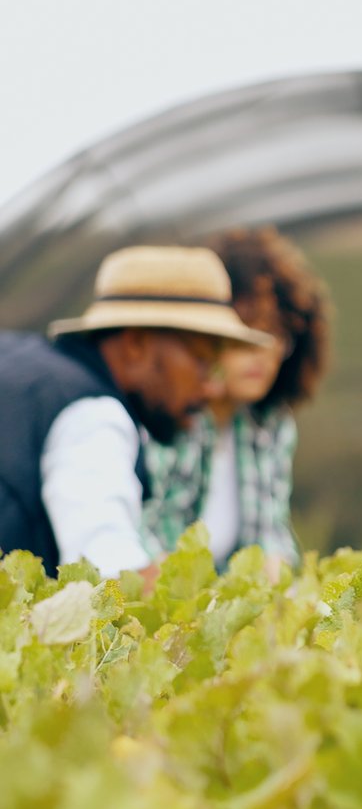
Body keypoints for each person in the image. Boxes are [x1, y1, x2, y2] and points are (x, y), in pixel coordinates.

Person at [0, 246, 277, 579]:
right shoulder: (94, 416)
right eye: (202, 360)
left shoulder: (19, 362)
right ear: (136, 345)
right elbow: (110, 567)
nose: (210, 388)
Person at [142, 227, 332, 570]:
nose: (264, 354)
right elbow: (145, 539)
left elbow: (270, 534)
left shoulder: (269, 424)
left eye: (278, 336)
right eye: (247, 336)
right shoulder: (165, 418)